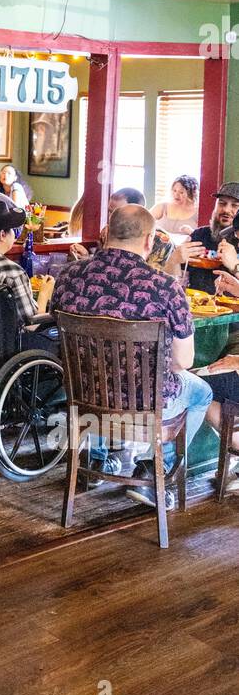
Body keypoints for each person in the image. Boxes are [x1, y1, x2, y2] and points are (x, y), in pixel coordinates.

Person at [52, 204, 212, 508]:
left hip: (84, 396)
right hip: (145, 405)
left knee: (97, 368)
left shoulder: (69, 276)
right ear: (149, 240)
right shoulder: (165, 287)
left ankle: (96, 461)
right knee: (202, 392)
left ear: (108, 233)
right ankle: (154, 470)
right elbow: (183, 362)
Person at [68, 188, 177, 274]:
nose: (113, 217)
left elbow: (154, 278)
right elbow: (102, 267)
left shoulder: (161, 241)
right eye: (110, 212)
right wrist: (87, 258)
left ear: (138, 210)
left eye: (118, 212)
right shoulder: (108, 231)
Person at [177, 182, 239, 294]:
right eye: (222, 203)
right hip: (197, 305)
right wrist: (175, 259)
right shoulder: (199, 235)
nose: (226, 210)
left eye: (235, 205)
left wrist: (235, 266)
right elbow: (179, 277)